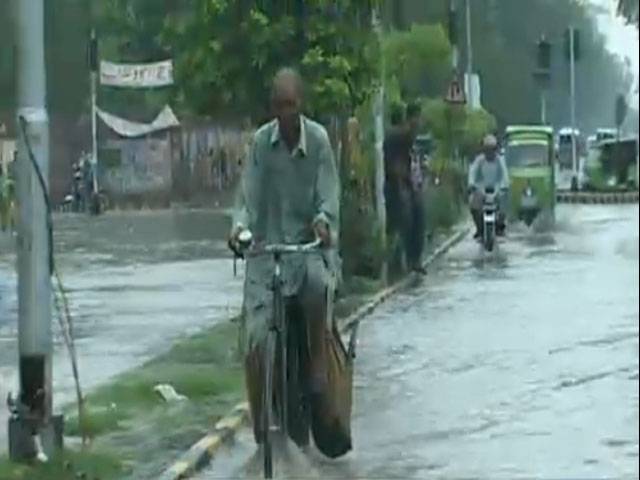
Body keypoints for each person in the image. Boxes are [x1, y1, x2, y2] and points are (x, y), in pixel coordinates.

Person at [228, 68, 340, 447]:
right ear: (272, 107)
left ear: (301, 104)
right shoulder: (261, 143)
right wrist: (239, 228)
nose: (285, 112)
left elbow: (329, 196)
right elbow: (249, 197)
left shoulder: (320, 141)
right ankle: (261, 419)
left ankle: (318, 371)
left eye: (290, 104)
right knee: (255, 335)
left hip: (306, 248)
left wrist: (323, 223)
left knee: (318, 286)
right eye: (278, 105)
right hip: (267, 252)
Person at [383, 102, 426, 274]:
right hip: (397, 186)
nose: (420, 122)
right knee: (405, 221)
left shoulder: (410, 138)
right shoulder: (399, 136)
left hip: (407, 185)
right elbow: (394, 165)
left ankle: (413, 260)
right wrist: (404, 180)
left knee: (417, 216)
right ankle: (402, 261)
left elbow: (412, 163)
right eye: (418, 118)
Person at [468, 133, 510, 239]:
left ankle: (500, 226)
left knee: (504, 201)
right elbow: (472, 172)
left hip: (496, 188)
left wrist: (504, 185)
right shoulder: (479, 160)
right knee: (473, 205)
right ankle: (479, 228)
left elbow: (504, 174)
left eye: (492, 149)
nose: (489, 152)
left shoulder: (500, 160)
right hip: (481, 189)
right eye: (487, 149)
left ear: (495, 149)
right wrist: (471, 184)